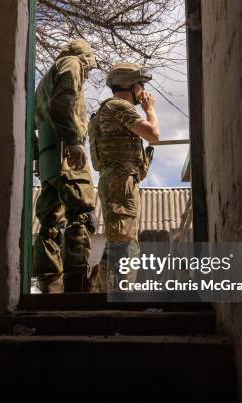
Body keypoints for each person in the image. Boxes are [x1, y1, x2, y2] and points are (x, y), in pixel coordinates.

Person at [32, 39, 98, 293]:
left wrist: (40, 157)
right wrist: (73, 141)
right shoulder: (72, 63)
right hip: (66, 154)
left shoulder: (46, 79)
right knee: (80, 214)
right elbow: (63, 104)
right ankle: (76, 287)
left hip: (50, 156)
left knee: (49, 222)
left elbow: (36, 121)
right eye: (89, 69)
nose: (88, 75)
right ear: (85, 58)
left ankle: (50, 285)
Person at [88, 62, 160, 291]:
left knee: (117, 240)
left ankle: (102, 294)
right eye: (140, 85)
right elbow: (153, 135)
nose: (143, 91)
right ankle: (115, 297)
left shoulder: (104, 110)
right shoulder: (119, 107)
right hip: (121, 182)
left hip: (115, 180)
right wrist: (150, 109)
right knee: (123, 243)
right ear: (130, 85)